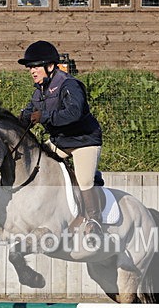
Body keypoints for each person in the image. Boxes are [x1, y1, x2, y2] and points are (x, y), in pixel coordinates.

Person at [18, 40, 103, 241]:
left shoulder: (69, 85)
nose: (32, 71)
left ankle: (94, 221)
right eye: (30, 67)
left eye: (36, 66)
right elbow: (28, 115)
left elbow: (73, 113)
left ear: (50, 66)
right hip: (61, 141)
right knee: (36, 162)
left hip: (84, 141)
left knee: (84, 181)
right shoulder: (39, 91)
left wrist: (44, 116)